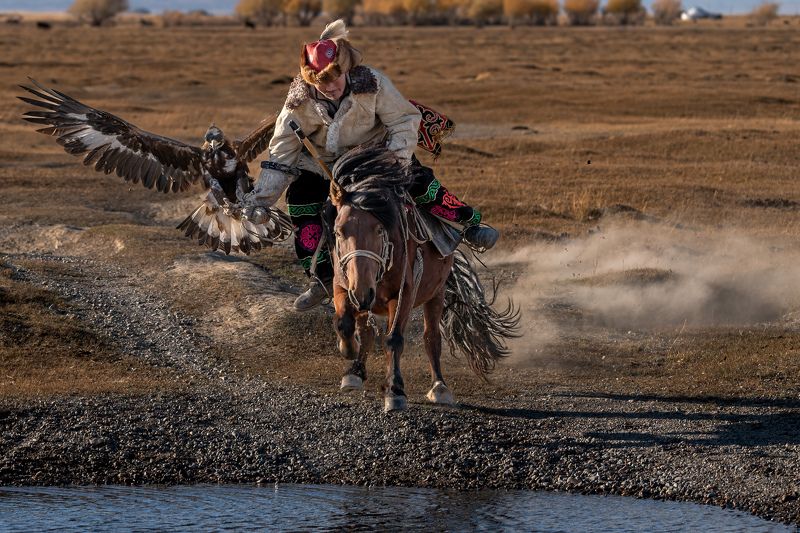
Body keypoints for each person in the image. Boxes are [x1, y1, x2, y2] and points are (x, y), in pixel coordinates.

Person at [243, 20, 499, 311]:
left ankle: (470, 223)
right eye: (320, 83)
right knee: (301, 202)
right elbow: (281, 152)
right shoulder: (297, 103)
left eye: (334, 79)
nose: (329, 87)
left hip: (380, 154)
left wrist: (395, 157)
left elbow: (405, 120)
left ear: (345, 69)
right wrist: (262, 199)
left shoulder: (373, 84)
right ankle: (323, 277)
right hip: (326, 166)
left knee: (419, 182)